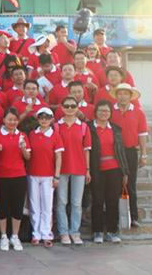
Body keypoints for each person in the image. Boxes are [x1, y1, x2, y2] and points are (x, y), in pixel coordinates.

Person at [0, 109, 31, 252]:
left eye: (15, 120)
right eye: (9, 119)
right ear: (4, 120)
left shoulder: (22, 135)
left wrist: (23, 148)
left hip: (19, 176)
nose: (12, 122)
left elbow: (28, 157)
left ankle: (15, 236)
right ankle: (3, 236)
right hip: (1, 176)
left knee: (17, 208)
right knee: (2, 207)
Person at [89, 101, 130, 244]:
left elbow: (121, 151)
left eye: (106, 111)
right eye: (101, 110)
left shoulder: (116, 129)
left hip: (114, 169)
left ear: (110, 113)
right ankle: (98, 231)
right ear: (96, 112)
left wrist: (125, 172)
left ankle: (112, 231)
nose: (103, 113)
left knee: (112, 201)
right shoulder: (89, 128)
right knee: (98, 201)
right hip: (96, 169)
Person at [109, 83, 148, 229]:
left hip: (131, 152)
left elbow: (142, 134)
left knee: (130, 185)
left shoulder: (138, 112)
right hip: (113, 152)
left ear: (131, 96)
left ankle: (133, 217)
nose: (123, 96)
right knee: (114, 185)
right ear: (116, 95)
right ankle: (115, 218)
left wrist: (143, 154)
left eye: (126, 94)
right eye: (120, 93)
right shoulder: (110, 111)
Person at [54, 96, 91, 245]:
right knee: (61, 202)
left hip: (79, 168)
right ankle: (63, 232)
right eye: (67, 106)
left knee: (76, 203)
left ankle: (75, 232)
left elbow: (86, 150)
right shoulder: (57, 126)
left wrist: (87, 169)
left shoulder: (83, 127)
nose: (70, 109)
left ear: (77, 108)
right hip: (62, 169)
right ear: (62, 108)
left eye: (73, 106)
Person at [27, 107, 63, 248]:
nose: (44, 120)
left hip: (48, 175)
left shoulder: (55, 135)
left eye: (47, 118)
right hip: (32, 174)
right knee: (34, 206)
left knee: (47, 206)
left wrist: (57, 176)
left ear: (51, 119)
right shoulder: (32, 134)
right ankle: (36, 234)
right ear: (37, 119)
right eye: (41, 117)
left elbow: (59, 157)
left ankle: (47, 234)